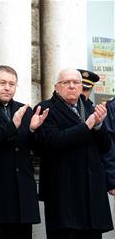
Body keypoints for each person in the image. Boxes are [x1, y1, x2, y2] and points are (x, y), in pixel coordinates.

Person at [0, 65, 48, 239]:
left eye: (12, 84)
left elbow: (36, 150)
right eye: (2, 83)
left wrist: (34, 131)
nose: (7, 87)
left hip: (21, 197)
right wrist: (11, 127)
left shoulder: (25, 110)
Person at [36, 68, 113, 239]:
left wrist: (99, 126)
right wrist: (86, 127)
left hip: (92, 193)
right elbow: (51, 142)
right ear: (56, 87)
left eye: (76, 83)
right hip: (64, 194)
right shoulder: (45, 108)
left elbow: (106, 146)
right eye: (66, 82)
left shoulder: (89, 106)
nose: (72, 86)